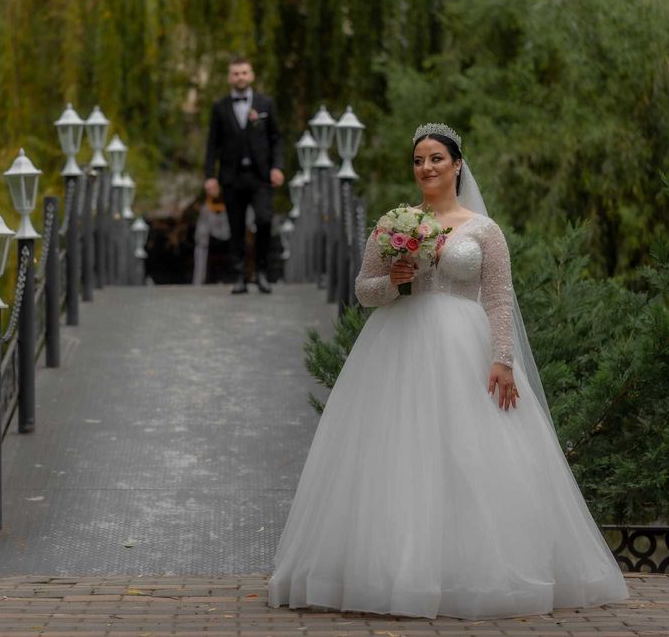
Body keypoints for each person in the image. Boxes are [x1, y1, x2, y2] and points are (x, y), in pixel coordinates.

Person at [267, 123, 630, 620]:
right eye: (418, 160)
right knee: (397, 453)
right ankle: (390, 572)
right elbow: (364, 289)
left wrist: (502, 358)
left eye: (436, 158)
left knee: (471, 453)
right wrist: (394, 282)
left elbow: (500, 299)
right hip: (398, 348)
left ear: (457, 165)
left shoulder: (483, 230)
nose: (426, 168)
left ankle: (473, 574)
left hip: (466, 347)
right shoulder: (395, 222)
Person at [204, 56, 284, 294]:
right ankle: (239, 275)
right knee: (235, 227)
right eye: (236, 73)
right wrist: (210, 176)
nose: (240, 77)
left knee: (264, 220)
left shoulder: (265, 104)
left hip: (260, 177)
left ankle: (261, 273)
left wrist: (277, 167)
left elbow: (276, 139)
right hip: (232, 177)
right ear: (230, 77)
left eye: (244, 72)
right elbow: (212, 145)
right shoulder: (219, 107)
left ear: (251, 76)